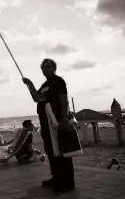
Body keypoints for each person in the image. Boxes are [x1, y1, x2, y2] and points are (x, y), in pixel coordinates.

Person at [22, 58, 75, 192]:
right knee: (51, 151)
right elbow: (37, 98)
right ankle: (56, 177)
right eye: (42, 67)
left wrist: (63, 118)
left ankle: (66, 182)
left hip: (57, 122)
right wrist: (30, 85)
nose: (44, 69)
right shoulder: (45, 84)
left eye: (47, 67)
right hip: (46, 124)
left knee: (62, 151)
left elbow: (64, 100)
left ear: (53, 68)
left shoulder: (58, 81)